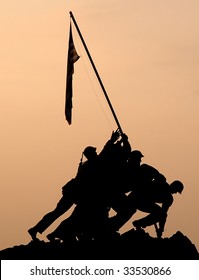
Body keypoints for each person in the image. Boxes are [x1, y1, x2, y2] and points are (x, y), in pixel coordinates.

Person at [28, 130, 131, 241]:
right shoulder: (92, 164)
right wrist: (117, 141)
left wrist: (117, 141)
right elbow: (105, 152)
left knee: (60, 213)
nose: (96, 154)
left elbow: (106, 152)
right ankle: (42, 231)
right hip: (76, 194)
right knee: (66, 214)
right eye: (94, 153)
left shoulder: (89, 164)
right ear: (91, 155)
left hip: (75, 193)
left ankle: (38, 230)